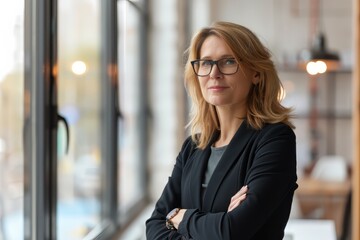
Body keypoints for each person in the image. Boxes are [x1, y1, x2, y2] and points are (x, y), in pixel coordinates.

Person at [146, 21, 297, 240]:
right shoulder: (193, 147)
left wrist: (180, 217)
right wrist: (216, 224)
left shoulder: (275, 140)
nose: (214, 73)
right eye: (206, 63)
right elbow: (153, 227)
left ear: (256, 72)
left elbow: (232, 230)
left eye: (228, 61)